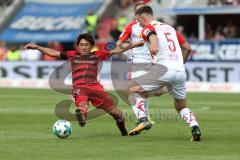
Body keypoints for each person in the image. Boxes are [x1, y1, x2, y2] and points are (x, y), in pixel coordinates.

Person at [25, 33, 144, 136]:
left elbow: (117, 50)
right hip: (79, 87)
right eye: (81, 45)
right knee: (82, 105)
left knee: (118, 114)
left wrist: (135, 44)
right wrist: (37, 47)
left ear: (91, 46)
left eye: (86, 45)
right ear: (78, 46)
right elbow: (53, 52)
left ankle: (123, 132)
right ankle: (81, 114)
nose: (83, 47)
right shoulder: (72, 55)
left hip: (96, 88)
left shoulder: (97, 55)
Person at [128, 6, 201, 141]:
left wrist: (154, 46)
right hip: (179, 71)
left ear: (143, 18)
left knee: (131, 90)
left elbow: (152, 36)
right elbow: (188, 48)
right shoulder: (170, 28)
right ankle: (194, 127)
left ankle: (143, 119)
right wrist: (179, 65)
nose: (139, 24)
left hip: (163, 69)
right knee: (181, 106)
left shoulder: (147, 28)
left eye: (139, 21)